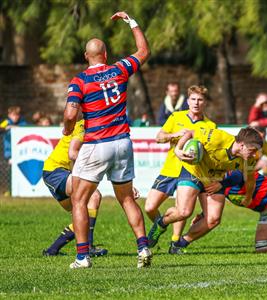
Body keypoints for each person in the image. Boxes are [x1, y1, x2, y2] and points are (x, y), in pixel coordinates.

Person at [62, 11, 151, 269]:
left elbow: (70, 112)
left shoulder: (80, 80)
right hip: (122, 142)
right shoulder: (119, 69)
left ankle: (81, 257)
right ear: (106, 54)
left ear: (85, 56)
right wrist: (131, 22)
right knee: (126, 199)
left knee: (79, 200)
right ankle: (143, 247)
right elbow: (143, 50)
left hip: (96, 144)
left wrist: (68, 129)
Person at [147, 127, 263, 252]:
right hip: (193, 171)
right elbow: (190, 132)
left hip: (212, 179)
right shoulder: (217, 138)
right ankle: (161, 223)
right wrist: (178, 150)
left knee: (213, 219)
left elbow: (250, 179)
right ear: (241, 145)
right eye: (252, 150)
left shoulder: (249, 159)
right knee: (184, 212)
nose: (254, 154)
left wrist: (248, 197)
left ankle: (179, 244)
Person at [144, 85, 216, 253]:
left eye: (200, 100)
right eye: (193, 99)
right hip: (170, 169)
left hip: (191, 172)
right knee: (149, 207)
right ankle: (160, 225)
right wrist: (174, 135)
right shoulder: (176, 117)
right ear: (188, 101)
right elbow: (159, 138)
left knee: (181, 208)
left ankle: (175, 242)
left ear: (205, 102)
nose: (196, 103)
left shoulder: (210, 126)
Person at [42, 118, 107, 257]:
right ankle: (88, 246)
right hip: (55, 171)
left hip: (57, 173)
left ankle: (52, 250)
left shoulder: (94, 128)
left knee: (82, 214)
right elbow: (73, 154)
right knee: (94, 197)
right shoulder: (83, 126)